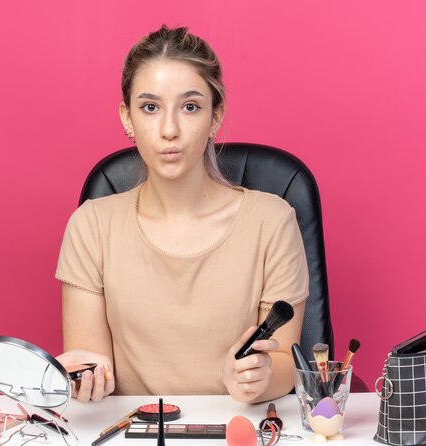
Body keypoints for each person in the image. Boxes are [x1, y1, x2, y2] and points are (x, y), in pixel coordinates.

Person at [56, 25, 309, 404]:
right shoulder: (91, 226)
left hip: (241, 427)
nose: (169, 130)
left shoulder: (272, 221)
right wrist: (85, 378)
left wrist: (260, 377)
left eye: (190, 107)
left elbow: (285, 365)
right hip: (132, 430)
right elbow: (92, 366)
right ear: (127, 118)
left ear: (215, 116)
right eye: (150, 107)